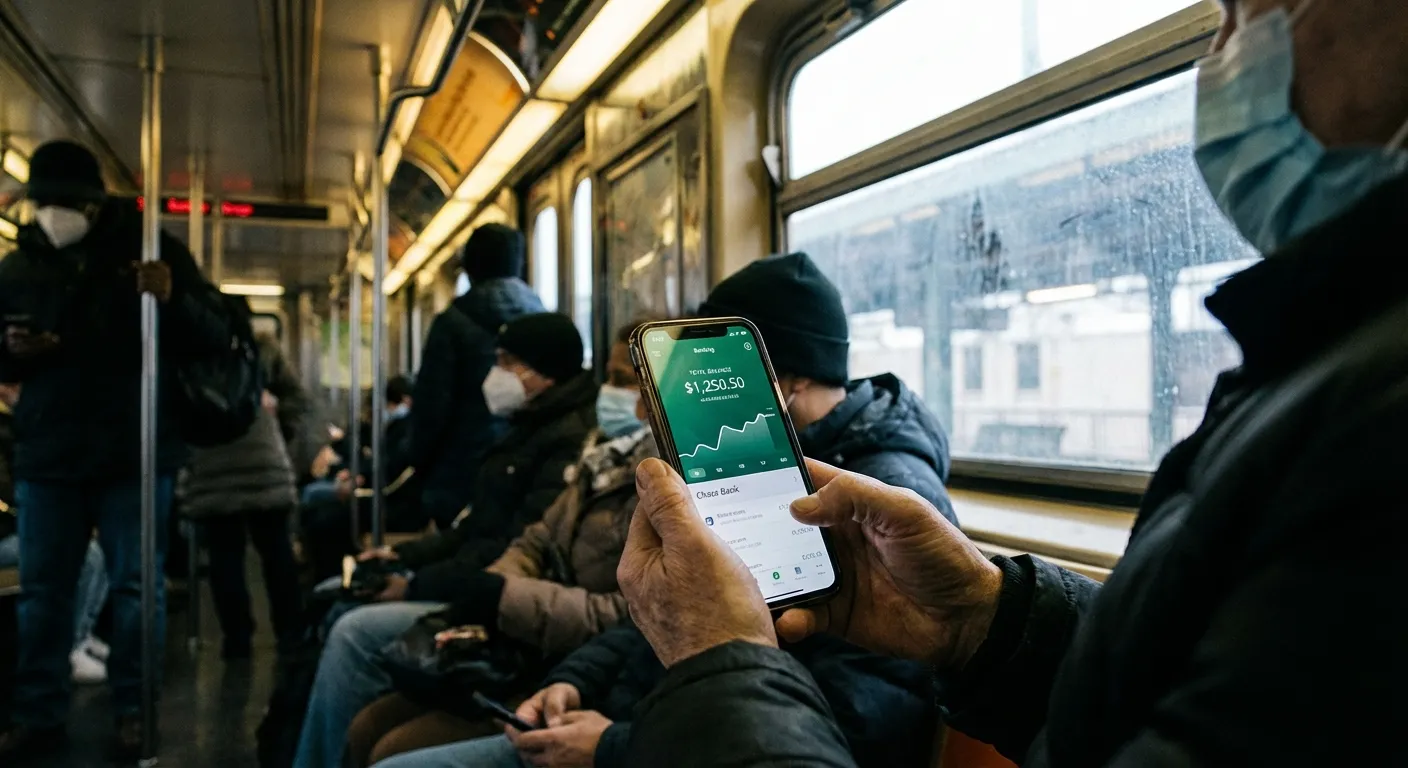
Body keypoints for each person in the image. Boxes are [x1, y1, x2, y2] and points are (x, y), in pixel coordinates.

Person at [612, 1, 1408, 765]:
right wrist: (982, 623)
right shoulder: (1332, 363)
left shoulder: (1376, 414)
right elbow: (1198, 701)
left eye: (1243, 12)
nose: (1218, 55)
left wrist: (720, 666)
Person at [0, 141, 230, 760]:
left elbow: (216, 334)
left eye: (67, 203)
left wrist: (171, 295)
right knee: (45, 592)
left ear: (96, 205)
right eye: (45, 203)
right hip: (49, 452)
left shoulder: (150, 248)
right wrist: (13, 352)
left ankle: (136, 706)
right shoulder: (17, 268)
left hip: (136, 448)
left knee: (137, 588)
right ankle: (38, 710)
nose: (55, 214)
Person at [343, 320, 659, 767]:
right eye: (610, 378)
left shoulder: (656, 482)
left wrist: (498, 595)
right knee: (369, 724)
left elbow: (629, 615)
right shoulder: (601, 456)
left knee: (384, 725)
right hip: (525, 642)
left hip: (558, 656)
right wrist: (494, 586)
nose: (620, 397)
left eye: (626, 382)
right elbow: (532, 540)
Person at [294, 312, 597, 768]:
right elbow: (475, 532)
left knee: (353, 629)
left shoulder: (566, 445)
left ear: (543, 370)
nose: (496, 373)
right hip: (481, 585)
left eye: (507, 361)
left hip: (500, 607)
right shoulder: (523, 430)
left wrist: (415, 584)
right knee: (334, 600)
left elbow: (508, 551)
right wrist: (403, 555)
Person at [179, 332, 307, 659]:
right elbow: (297, 399)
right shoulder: (261, 349)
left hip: (210, 458)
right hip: (263, 456)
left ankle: (237, 639)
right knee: (277, 552)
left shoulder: (188, 352)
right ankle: (289, 633)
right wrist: (281, 429)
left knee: (225, 557)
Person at [409, 224, 544, 529]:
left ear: (469, 267)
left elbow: (432, 406)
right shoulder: (542, 318)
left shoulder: (452, 322)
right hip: (525, 467)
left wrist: (420, 464)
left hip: (460, 469)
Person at [0, 383, 109, 685]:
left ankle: (82, 634)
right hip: (5, 532)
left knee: (98, 547)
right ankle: (70, 648)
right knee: (85, 557)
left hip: (10, 525)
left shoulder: (13, 427)